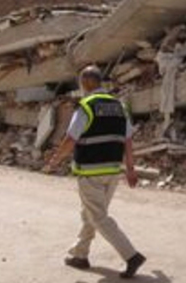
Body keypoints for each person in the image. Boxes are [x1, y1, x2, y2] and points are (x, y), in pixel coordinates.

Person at [44, 66, 146, 279]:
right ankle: (80, 255)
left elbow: (70, 139)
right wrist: (130, 169)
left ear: (84, 83)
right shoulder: (119, 106)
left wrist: (55, 160)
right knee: (90, 213)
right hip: (113, 170)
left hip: (90, 170)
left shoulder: (86, 106)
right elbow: (128, 140)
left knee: (98, 216)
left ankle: (131, 256)